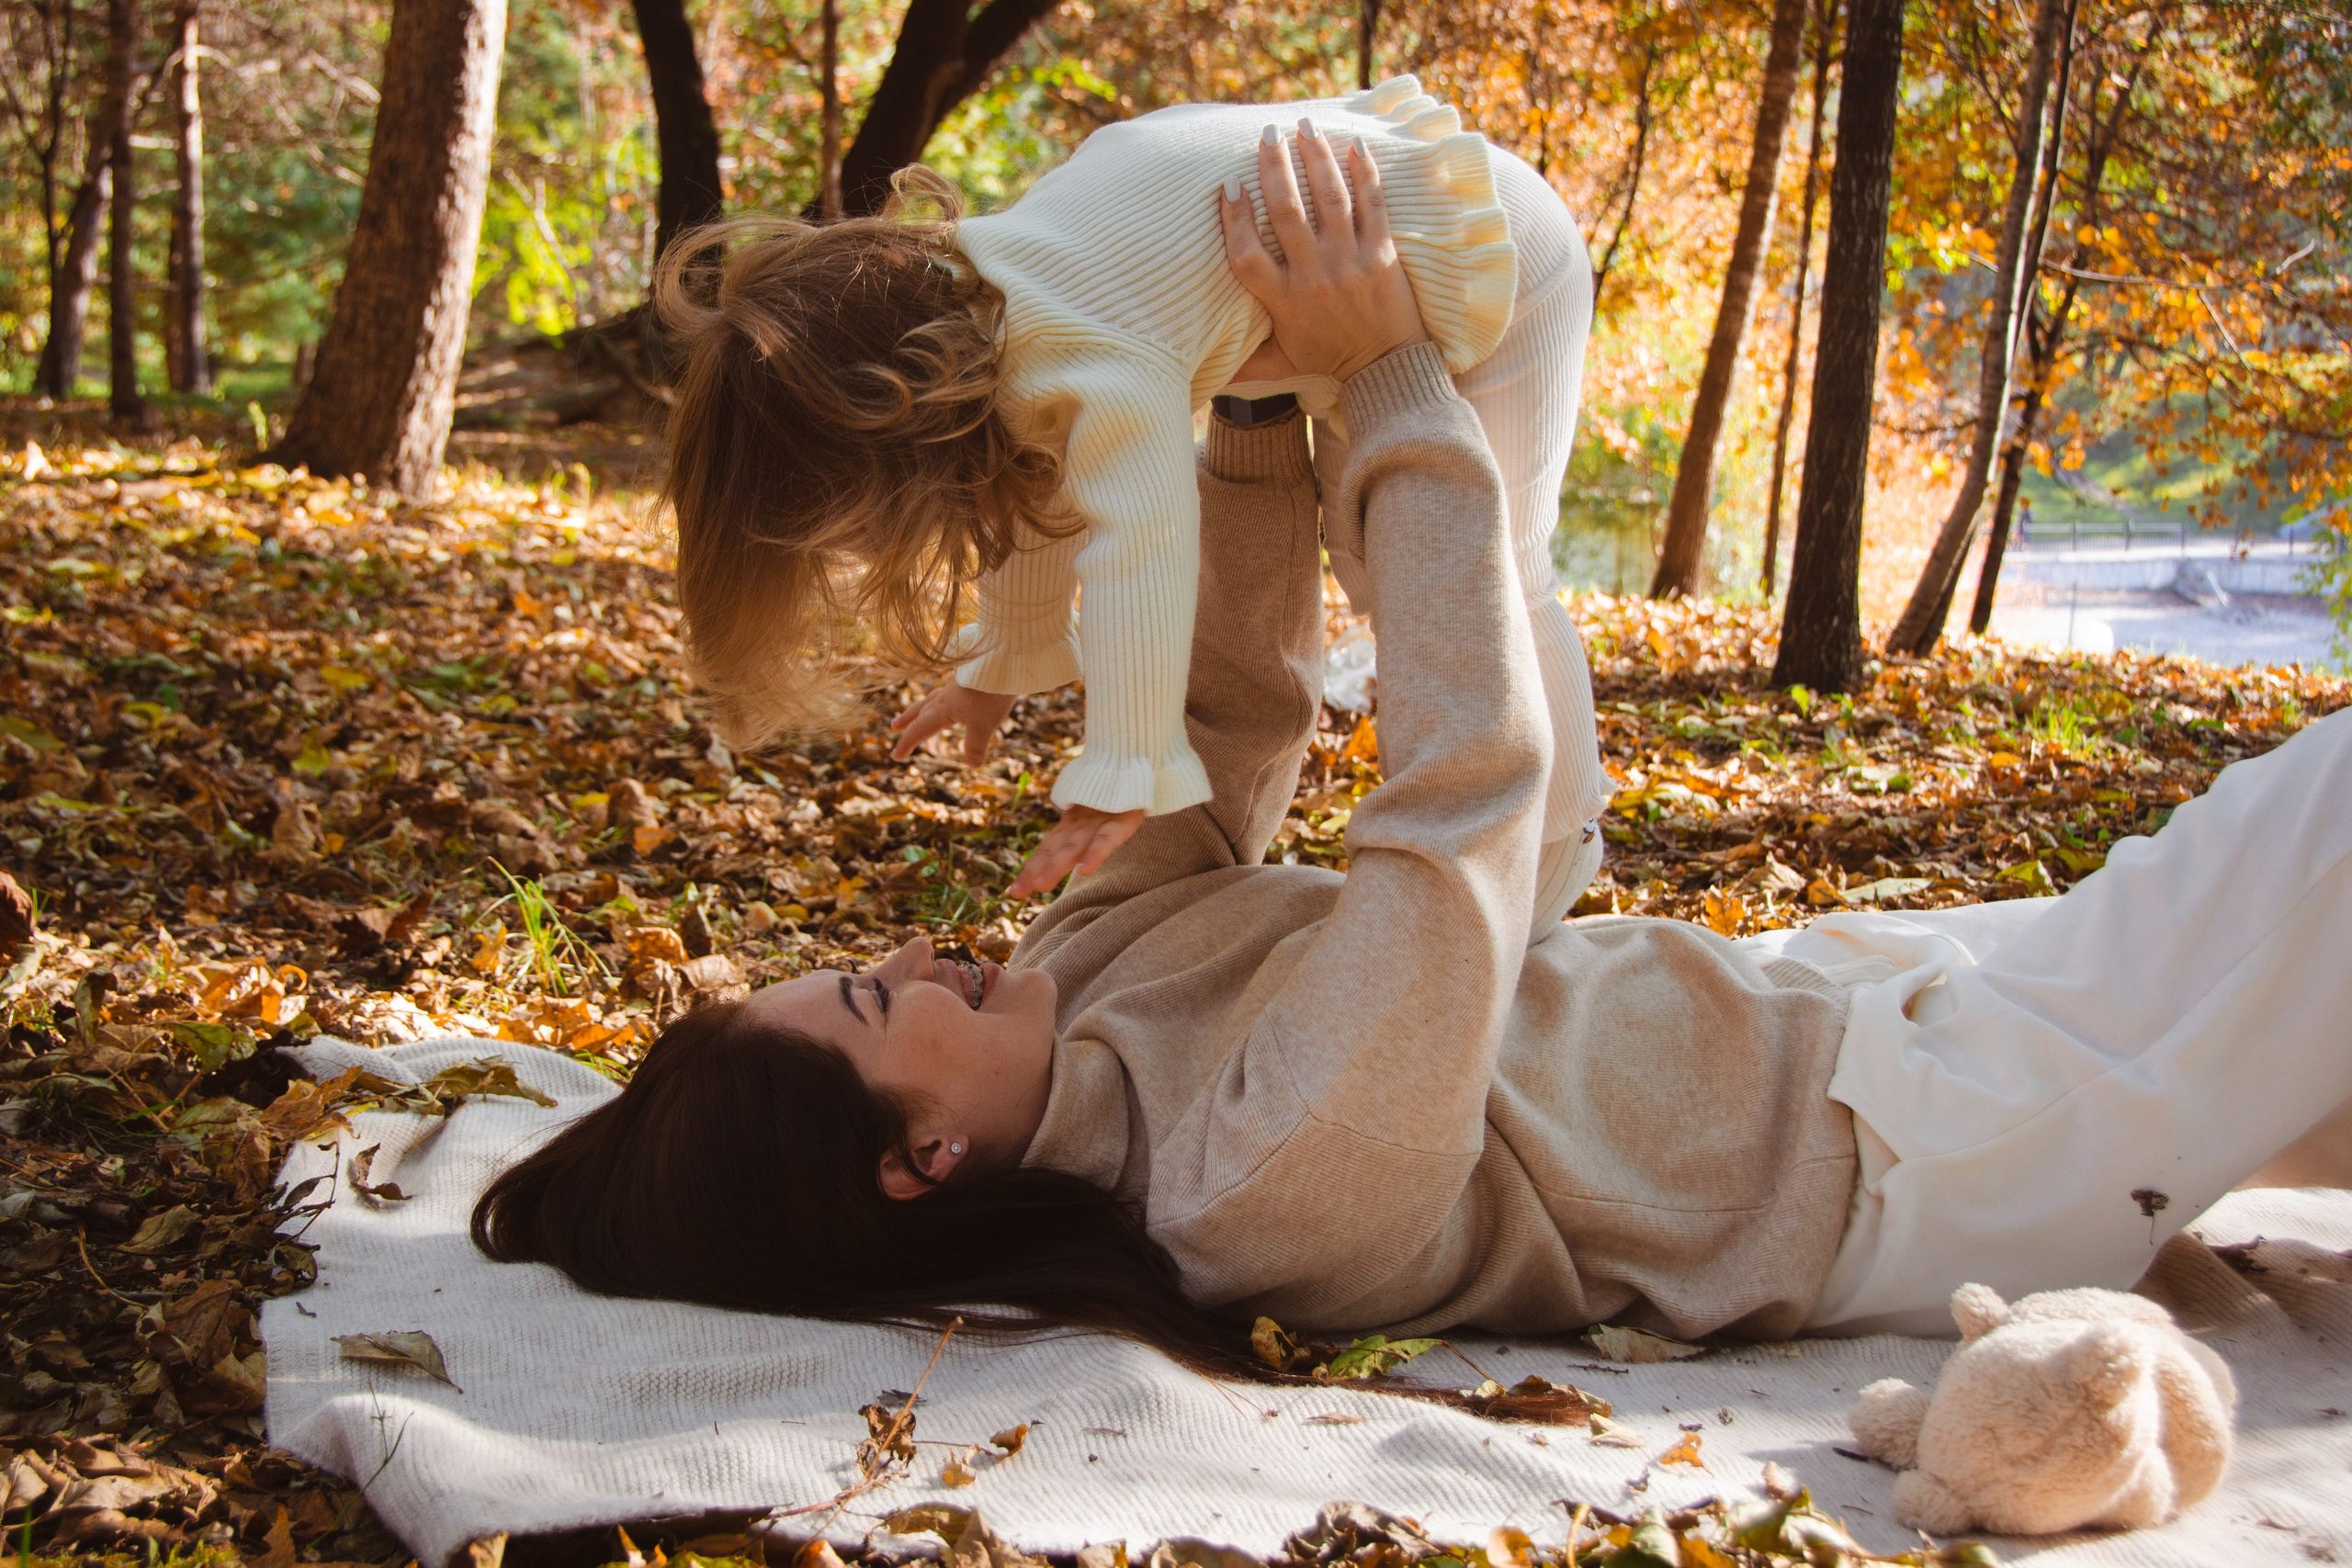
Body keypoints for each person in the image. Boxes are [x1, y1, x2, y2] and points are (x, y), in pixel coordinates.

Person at [473, 140, 2352, 1371]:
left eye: (859, 967)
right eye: (881, 1007)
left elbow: (1225, 720)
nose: (911, 954)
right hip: (1906, 1142)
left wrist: (1241, 408)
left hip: (1838, 1005)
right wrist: (1383, 381)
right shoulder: (1247, 1174)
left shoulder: (1061, 980)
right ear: (926, 1158)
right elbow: (1459, 802)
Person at [655, 80, 1610, 921]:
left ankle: (1557, 849)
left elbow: (1139, 541)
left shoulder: (1083, 351)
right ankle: (1516, 842)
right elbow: (1037, 497)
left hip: (1485, 255)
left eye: (856, 531)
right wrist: (1005, 659)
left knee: (1485, 584)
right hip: (1348, 268)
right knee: (1376, 567)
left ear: (894, 450)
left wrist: (1125, 765)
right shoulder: (1003, 296)